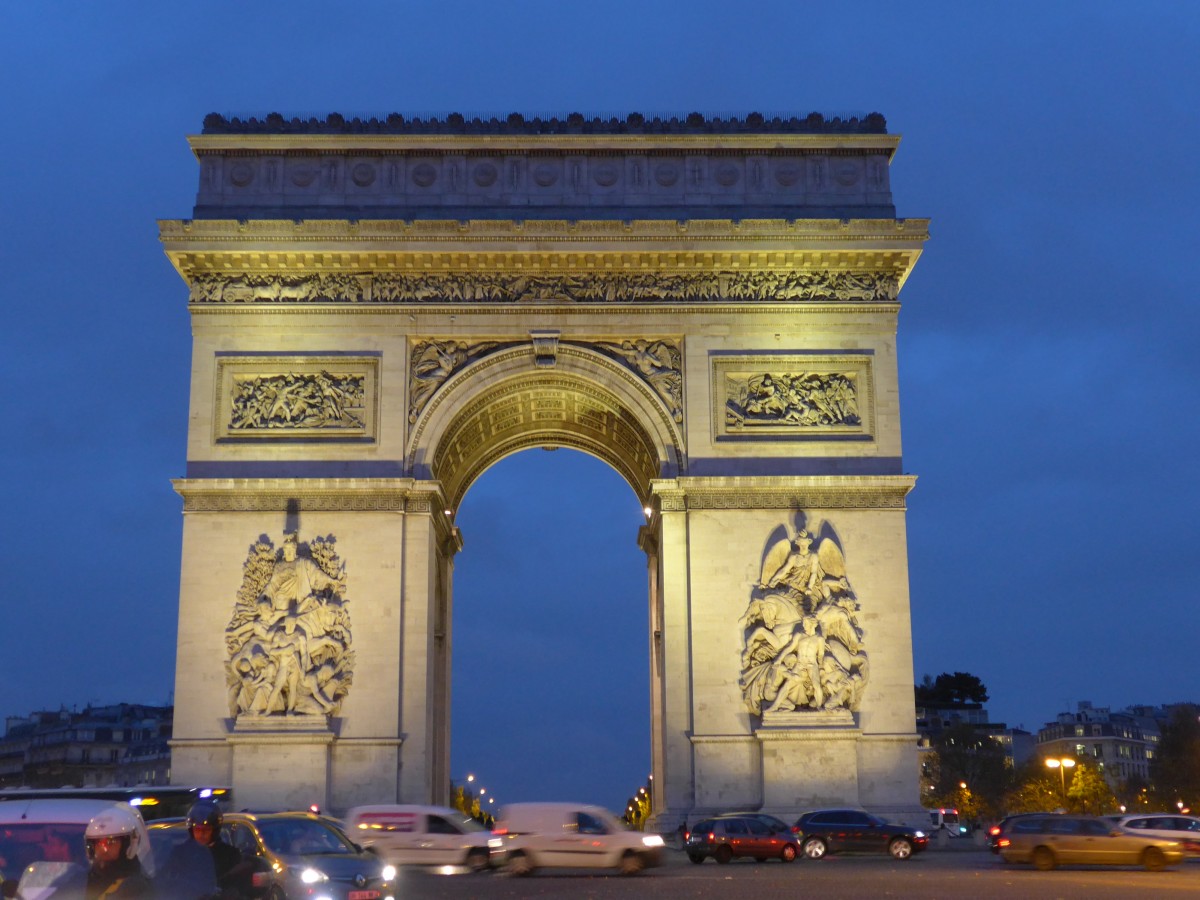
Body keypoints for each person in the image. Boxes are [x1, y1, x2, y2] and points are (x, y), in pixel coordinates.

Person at [82, 805, 154, 898]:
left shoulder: (137, 887)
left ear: (128, 844)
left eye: (110, 842)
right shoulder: (83, 878)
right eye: (98, 842)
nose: (103, 848)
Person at [186, 802, 249, 898]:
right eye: (198, 829)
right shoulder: (181, 853)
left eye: (206, 830)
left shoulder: (230, 854)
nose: (202, 834)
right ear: (191, 830)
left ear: (215, 830)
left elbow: (240, 884)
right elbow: (165, 877)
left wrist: (231, 890)